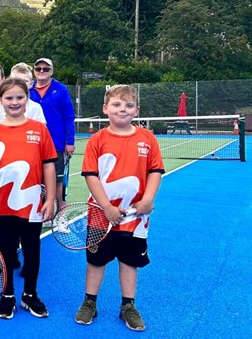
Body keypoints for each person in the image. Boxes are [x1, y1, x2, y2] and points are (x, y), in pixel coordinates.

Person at [74, 85, 164, 332]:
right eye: (116, 105)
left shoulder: (147, 139)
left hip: (136, 219)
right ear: (105, 109)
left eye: (128, 105)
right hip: (100, 217)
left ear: (137, 110)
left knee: (129, 262)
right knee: (96, 262)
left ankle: (128, 306)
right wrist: (106, 207)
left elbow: (155, 171)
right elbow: (91, 176)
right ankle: (89, 302)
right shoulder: (97, 140)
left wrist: (147, 200)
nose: (122, 109)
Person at [0, 78, 57, 320]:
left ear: (27, 100)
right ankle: (8, 295)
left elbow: (49, 167)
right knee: (7, 252)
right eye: (9, 98)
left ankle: (30, 294)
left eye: (19, 97)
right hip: (0, 204)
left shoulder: (39, 129)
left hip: (31, 203)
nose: (14, 102)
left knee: (33, 250)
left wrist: (51, 198)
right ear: (0, 101)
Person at [29, 57, 76, 212]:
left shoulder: (60, 89)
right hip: (34, 143)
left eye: (46, 69)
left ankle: (61, 212)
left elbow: (69, 116)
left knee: (58, 181)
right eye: (38, 69)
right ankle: (42, 211)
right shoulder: (27, 90)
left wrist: (70, 141)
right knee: (37, 180)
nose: (42, 72)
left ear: (52, 71)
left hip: (56, 142)